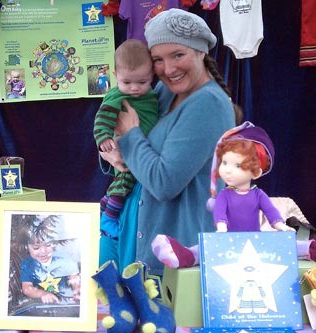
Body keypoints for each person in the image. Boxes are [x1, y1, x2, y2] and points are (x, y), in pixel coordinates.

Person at [98, 8, 241, 276]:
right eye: (158, 60)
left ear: (200, 51)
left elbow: (164, 183)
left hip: (177, 248)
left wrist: (130, 137)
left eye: (178, 55)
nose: (169, 68)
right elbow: (131, 135)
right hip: (140, 233)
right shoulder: (164, 90)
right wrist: (111, 152)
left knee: (164, 317)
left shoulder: (208, 104)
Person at [151, 123, 316, 268]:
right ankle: (184, 255)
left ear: (256, 172)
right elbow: (220, 215)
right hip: (229, 241)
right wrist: (221, 229)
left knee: (285, 247)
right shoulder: (224, 196)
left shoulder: (258, 195)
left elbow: (271, 213)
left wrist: (280, 225)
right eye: (224, 163)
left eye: (237, 165)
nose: (227, 170)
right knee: (205, 250)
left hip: (257, 240)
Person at [94, 39, 158, 239]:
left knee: (123, 184)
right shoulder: (116, 96)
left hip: (143, 149)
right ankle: (109, 219)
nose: (134, 88)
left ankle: (106, 204)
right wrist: (103, 138)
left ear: (152, 75)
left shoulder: (154, 95)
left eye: (142, 82)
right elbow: (102, 117)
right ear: (115, 76)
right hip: (127, 150)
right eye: (127, 82)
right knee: (125, 182)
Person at [19, 235, 80, 305]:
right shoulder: (28, 263)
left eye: (48, 245)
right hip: (41, 306)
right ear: (27, 248)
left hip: (66, 302)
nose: (43, 251)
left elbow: (74, 279)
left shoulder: (63, 257)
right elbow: (27, 288)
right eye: (36, 248)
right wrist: (43, 294)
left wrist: (77, 292)